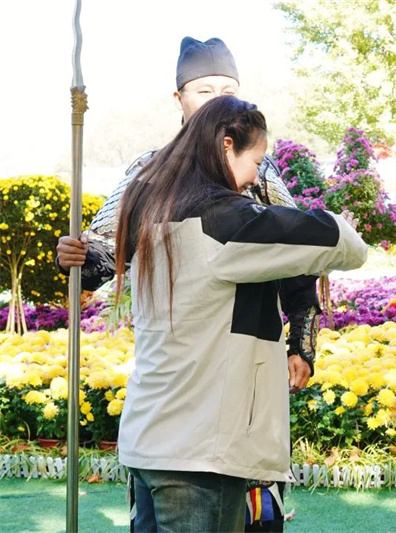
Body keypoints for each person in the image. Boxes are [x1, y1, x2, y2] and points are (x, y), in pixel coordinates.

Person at [55, 37, 317, 531]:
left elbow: (301, 260)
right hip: (176, 368)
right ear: (180, 99)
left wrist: (301, 344)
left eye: (227, 89)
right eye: (204, 89)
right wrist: (78, 255)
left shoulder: (260, 173)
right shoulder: (148, 172)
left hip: (242, 371)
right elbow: (106, 256)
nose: (216, 98)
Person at [114, 95, 367, 532]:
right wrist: (337, 221)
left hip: (151, 439)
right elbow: (344, 245)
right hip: (199, 452)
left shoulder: (151, 211)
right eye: (257, 160)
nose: (255, 178)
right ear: (227, 146)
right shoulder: (226, 222)